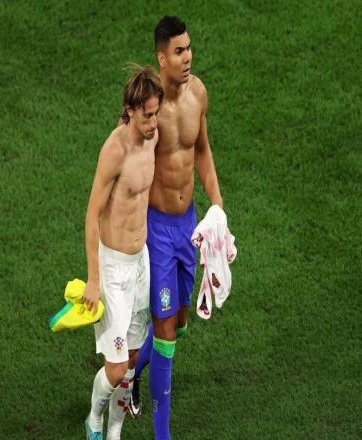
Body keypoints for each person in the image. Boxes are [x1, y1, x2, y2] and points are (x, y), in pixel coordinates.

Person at [129, 16, 223, 440]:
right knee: (165, 329)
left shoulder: (198, 93)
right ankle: (161, 434)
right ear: (161, 58)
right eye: (179, 51)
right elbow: (128, 165)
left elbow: (202, 151)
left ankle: (132, 371)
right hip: (158, 231)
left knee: (179, 322)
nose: (188, 58)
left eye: (189, 49)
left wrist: (217, 206)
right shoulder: (150, 112)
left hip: (188, 226)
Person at [83, 64, 163, 440]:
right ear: (130, 110)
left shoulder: (154, 136)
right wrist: (94, 279)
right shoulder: (114, 151)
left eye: (156, 114)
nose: (153, 123)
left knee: (131, 360)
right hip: (113, 269)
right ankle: (94, 419)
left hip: (140, 262)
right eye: (147, 115)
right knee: (115, 369)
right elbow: (91, 215)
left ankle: (114, 431)